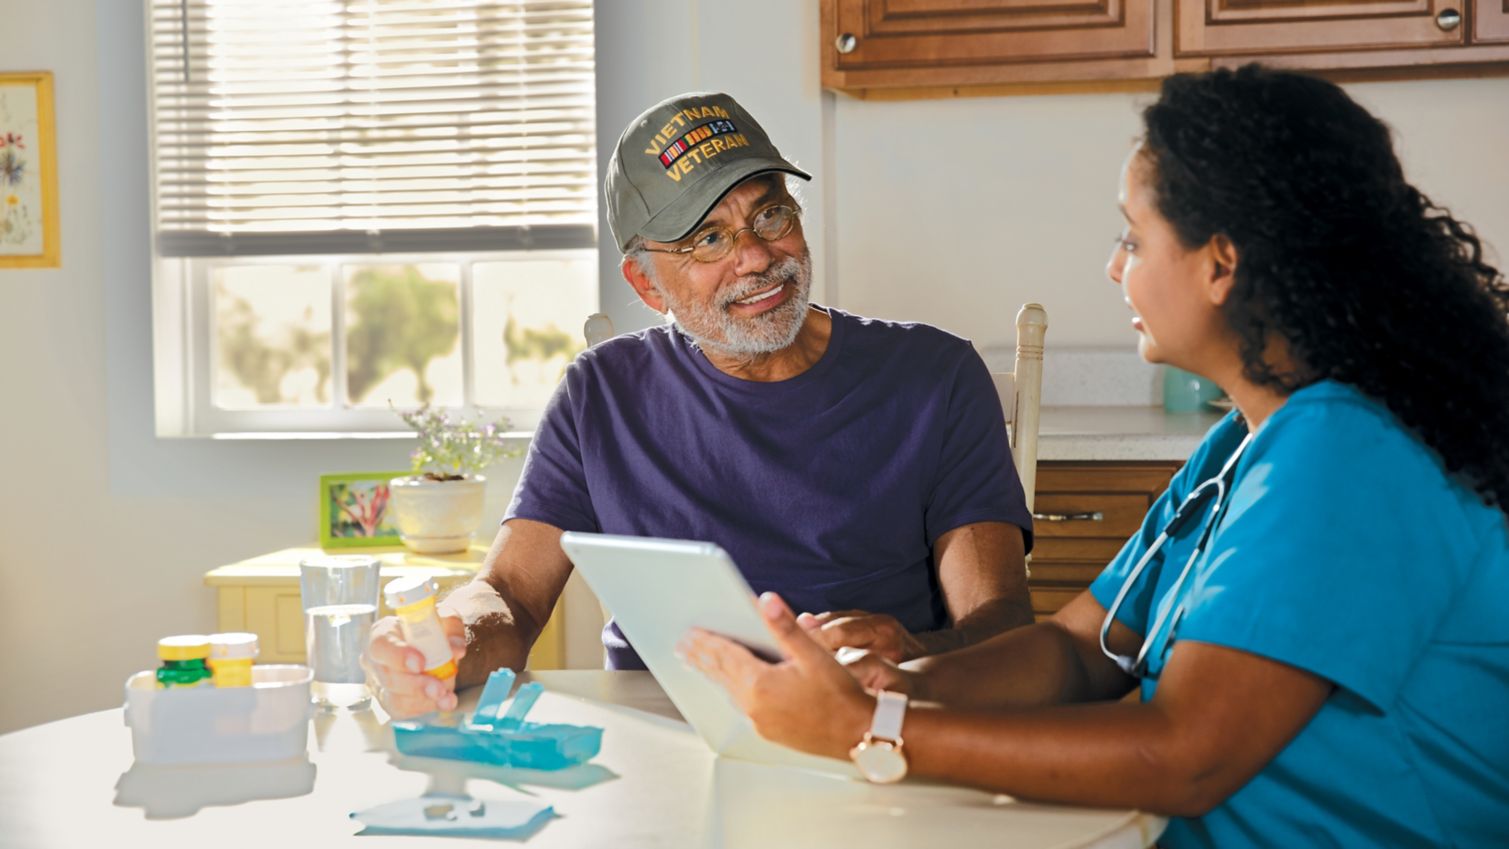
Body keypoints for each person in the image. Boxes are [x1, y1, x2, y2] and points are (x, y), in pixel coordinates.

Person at [682, 65, 1509, 848]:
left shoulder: (1346, 455)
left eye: (1133, 236)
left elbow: (1182, 753)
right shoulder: (1245, 440)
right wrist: (894, 685)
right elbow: (1082, 649)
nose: (1114, 265)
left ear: (1219, 262)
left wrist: (869, 731)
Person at [364, 91, 1036, 719]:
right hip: (662, 735)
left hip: (868, 725)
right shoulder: (601, 393)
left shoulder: (935, 377)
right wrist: (451, 637)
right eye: (706, 239)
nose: (753, 257)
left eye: (768, 214)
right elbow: (510, 594)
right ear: (645, 283)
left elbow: (1002, 626)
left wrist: (913, 653)